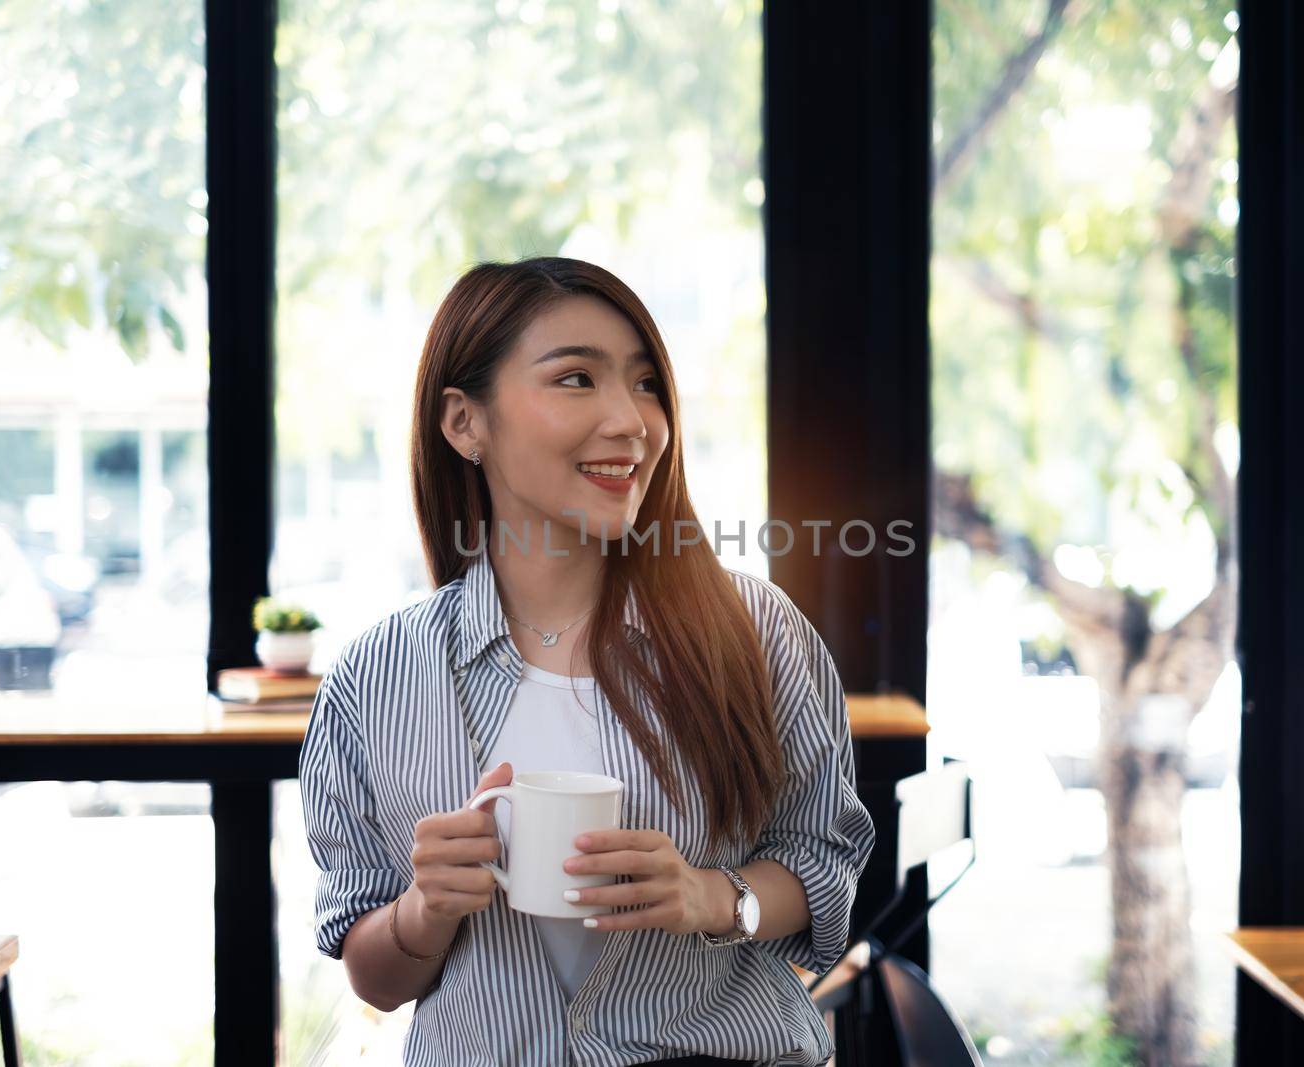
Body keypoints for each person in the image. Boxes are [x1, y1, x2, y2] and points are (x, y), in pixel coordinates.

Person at [299, 256, 876, 1066]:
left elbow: (824, 864)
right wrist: (424, 909)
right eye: (577, 379)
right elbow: (377, 978)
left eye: (645, 384)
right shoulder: (376, 679)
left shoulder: (754, 630)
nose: (633, 421)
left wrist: (713, 895)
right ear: (465, 422)